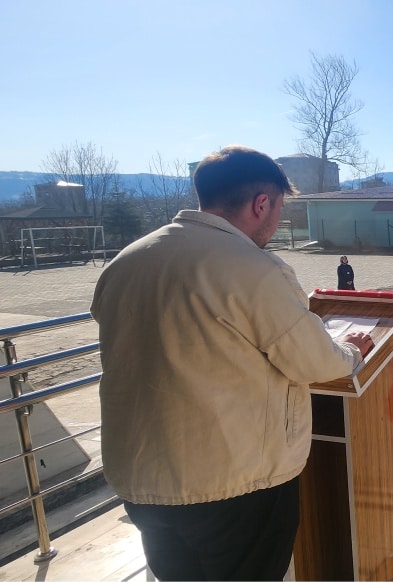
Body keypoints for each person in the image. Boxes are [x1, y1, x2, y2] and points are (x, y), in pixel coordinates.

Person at [91, 146, 373, 581]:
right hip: (233, 485)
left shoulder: (127, 261)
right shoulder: (251, 269)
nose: (278, 219)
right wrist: (353, 349)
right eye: (280, 208)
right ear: (262, 203)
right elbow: (315, 361)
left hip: (143, 482)